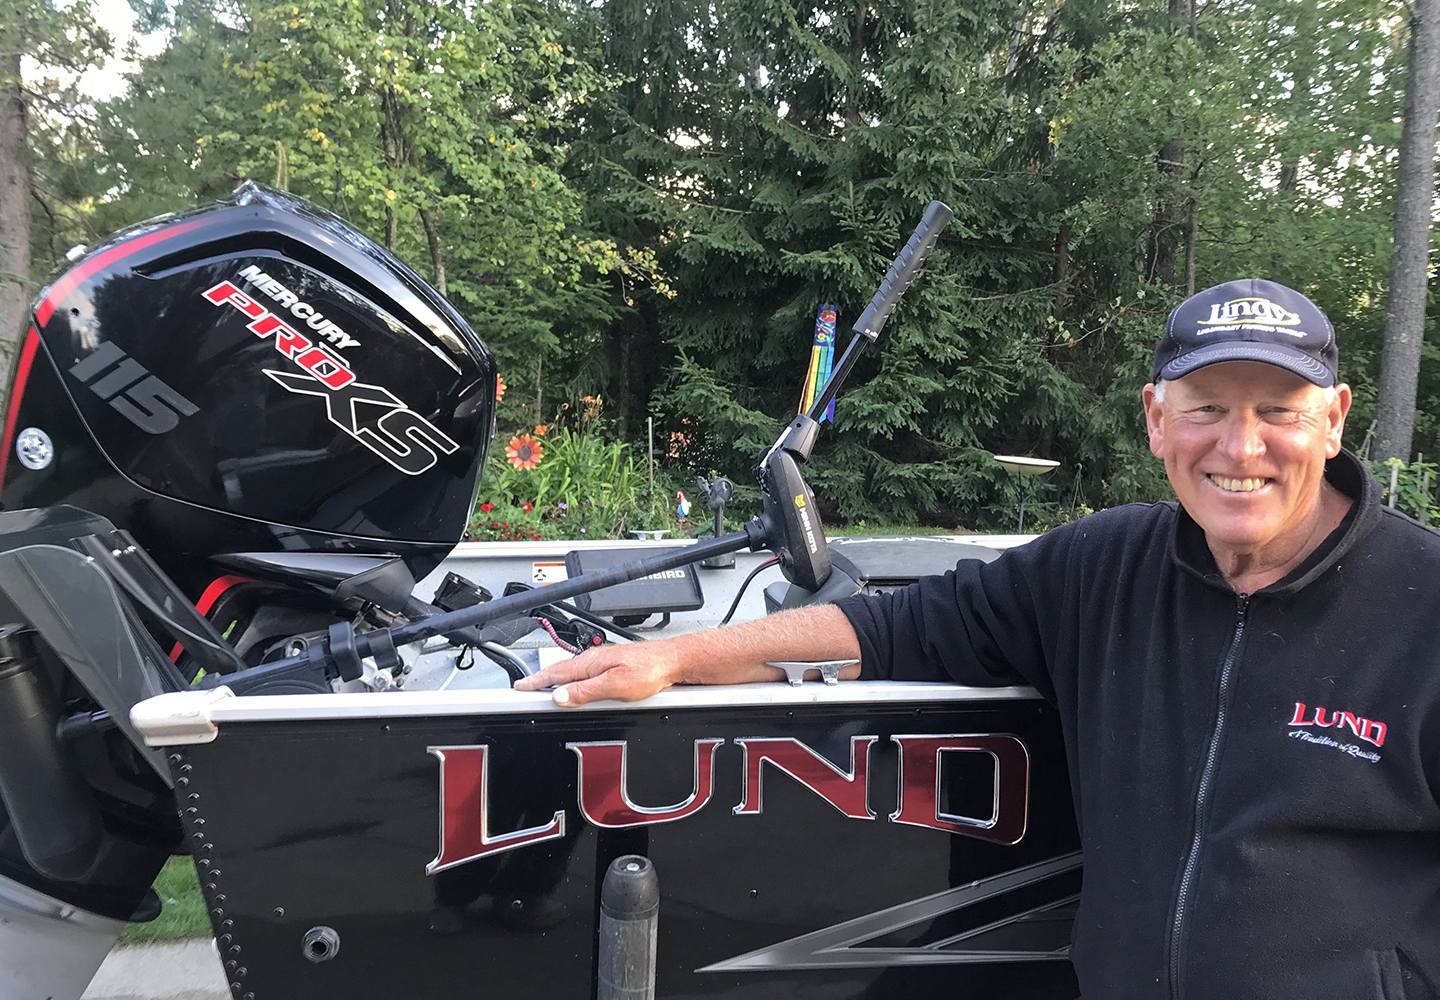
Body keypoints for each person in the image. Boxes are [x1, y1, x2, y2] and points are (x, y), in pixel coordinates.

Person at [517, 278, 1440, 998]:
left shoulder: (1424, 603)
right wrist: (676, 656)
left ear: (1333, 418)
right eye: (1207, 407)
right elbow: (887, 626)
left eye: (1277, 409)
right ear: (1157, 418)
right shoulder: (1099, 567)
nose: (1240, 448)